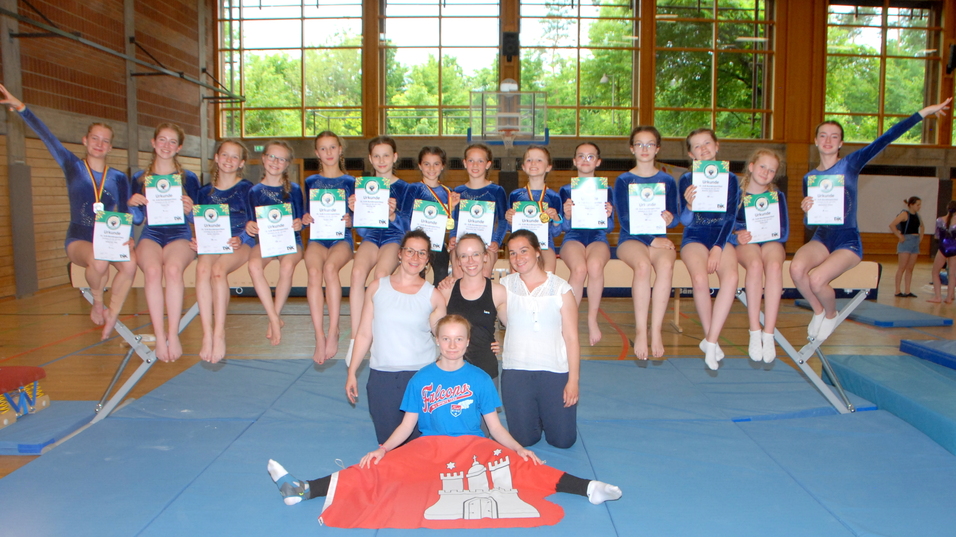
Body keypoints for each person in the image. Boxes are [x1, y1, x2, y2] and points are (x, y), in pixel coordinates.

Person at [267, 315, 621, 530]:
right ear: (437, 341)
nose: (452, 345)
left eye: (459, 339)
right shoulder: (421, 378)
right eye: (446, 339)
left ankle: (588, 488)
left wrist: (518, 448)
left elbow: (494, 428)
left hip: (473, 448)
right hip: (427, 448)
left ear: (467, 343)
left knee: (525, 466)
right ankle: (302, 490)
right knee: (375, 467)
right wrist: (383, 448)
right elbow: (408, 425)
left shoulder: (480, 378)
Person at [791, 98, 951, 342]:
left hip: (847, 240)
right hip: (822, 237)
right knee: (796, 269)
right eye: (823, 135)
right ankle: (819, 310)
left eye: (834, 136)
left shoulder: (849, 164)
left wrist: (922, 113)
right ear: (815, 141)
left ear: (841, 143)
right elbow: (811, 225)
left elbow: (885, 138)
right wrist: (806, 209)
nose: (828, 140)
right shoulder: (810, 178)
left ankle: (831, 315)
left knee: (816, 279)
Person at [0, 83, 138, 341]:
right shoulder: (72, 165)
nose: (99, 144)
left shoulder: (118, 177)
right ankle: (98, 302)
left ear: (110, 148)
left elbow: (125, 212)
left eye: (105, 141)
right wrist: (21, 108)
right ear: (85, 141)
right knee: (98, 260)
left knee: (130, 265)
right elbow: (47, 137)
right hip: (79, 238)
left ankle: (113, 315)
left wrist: (129, 237)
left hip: (108, 238)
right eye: (95, 138)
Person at [345, 230, 446, 445]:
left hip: (421, 378)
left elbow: (445, 340)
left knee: (420, 444)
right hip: (383, 377)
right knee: (388, 443)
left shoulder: (433, 296)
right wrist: (352, 371)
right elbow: (364, 333)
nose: (415, 257)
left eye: (421, 253)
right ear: (400, 254)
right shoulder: (376, 288)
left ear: (427, 259)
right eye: (410, 251)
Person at [127, 123, 201, 362]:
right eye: (162, 140)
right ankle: (160, 336)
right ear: (153, 142)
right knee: (151, 270)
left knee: (172, 269)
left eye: (172, 142)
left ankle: (173, 333)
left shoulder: (188, 177)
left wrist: (190, 209)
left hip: (179, 234)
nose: (166, 145)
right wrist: (132, 204)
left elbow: (197, 217)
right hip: (152, 233)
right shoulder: (140, 178)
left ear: (179, 147)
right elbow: (138, 220)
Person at [500, 230, 580, 448]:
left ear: (537, 252)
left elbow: (572, 338)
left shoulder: (561, 288)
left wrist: (572, 381)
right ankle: (535, 415)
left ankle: (547, 414)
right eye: (513, 253)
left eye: (524, 251)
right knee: (524, 440)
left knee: (563, 441)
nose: (518, 258)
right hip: (516, 372)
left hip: (554, 372)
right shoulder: (504, 286)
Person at [613, 127, 680, 359]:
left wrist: (671, 219)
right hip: (632, 238)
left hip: (660, 239)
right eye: (639, 144)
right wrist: (652, 240)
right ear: (632, 148)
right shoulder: (623, 180)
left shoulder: (667, 180)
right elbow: (624, 219)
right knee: (642, 266)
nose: (644, 149)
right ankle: (641, 330)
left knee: (666, 266)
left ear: (657, 148)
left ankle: (657, 329)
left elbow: (676, 216)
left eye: (649, 144)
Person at [679, 128, 740, 370]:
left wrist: (718, 247)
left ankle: (711, 341)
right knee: (699, 278)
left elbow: (731, 216)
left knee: (732, 277)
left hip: (721, 236)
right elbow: (683, 220)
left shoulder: (731, 179)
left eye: (707, 143)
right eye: (697, 146)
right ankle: (710, 337)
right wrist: (689, 205)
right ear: (691, 154)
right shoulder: (686, 179)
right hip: (694, 234)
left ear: (717, 146)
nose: (703, 148)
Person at [346, 136, 408, 364]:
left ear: (395, 157)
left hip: (394, 237)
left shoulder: (404, 188)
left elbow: (409, 226)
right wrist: (355, 212)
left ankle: (378, 335)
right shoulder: (363, 185)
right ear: (370, 159)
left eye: (386, 155)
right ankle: (355, 336)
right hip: (372, 237)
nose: (382, 160)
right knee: (356, 273)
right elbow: (361, 230)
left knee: (380, 276)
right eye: (377, 156)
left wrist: (393, 215)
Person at [193, 139, 254, 363]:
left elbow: (254, 220)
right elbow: (200, 222)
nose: (229, 160)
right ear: (216, 158)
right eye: (224, 155)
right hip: (213, 242)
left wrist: (244, 237)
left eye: (234, 156)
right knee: (202, 269)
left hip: (240, 242)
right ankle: (206, 333)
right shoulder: (204, 192)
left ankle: (219, 332)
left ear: (241, 163)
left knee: (218, 271)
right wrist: (196, 239)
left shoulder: (247, 188)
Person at [728, 149, 787, 363]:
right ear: (751, 166)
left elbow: (785, 229)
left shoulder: (776, 197)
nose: (766, 172)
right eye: (763, 167)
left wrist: (770, 233)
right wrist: (737, 235)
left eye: (772, 170)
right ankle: (754, 330)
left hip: (770, 240)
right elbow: (727, 223)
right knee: (754, 265)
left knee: (773, 267)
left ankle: (769, 333)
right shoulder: (736, 194)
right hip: (747, 239)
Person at [301, 131, 354, 363]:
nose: (328, 153)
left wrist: (352, 218)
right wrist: (304, 218)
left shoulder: (351, 182)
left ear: (340, 149)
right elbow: (305, 210)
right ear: (316, 153)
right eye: (323, 148)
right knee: (313, 271)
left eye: (333, 147)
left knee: (330, 269)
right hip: (318, 237)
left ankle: (333, 330)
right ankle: (318, 335)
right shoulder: (310, 182)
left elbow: (359, 215)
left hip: (341, 237)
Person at [244, 141, 304, 346]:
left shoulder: (294, 189)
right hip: (266, 242)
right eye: (272, 157)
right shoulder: (254, 191)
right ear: (263, 158)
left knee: (287, 265)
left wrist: (299, 224)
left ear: (287, 164)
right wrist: (250, 226)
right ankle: (273, 317)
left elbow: (302, 218)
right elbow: (250, 220)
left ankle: (274, 317)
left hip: (290, 242)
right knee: (253, 265)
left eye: (281, 159)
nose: (275, 162)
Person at [560, 142, 614, 346]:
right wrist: (566, 215)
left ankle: (592, 318)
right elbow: (563, 227)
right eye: (581, 156)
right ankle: (570, 320)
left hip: (598, 237)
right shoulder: (565, 190)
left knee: (595, 266)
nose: (585, 160)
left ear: (598, 162)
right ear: (574, 161)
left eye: (590, 157)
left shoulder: (606, 189)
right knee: (580, 269)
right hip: (573, 236)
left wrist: (608, 214)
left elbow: (609, 227)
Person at [438, 234, 507, 383]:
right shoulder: (447, 290)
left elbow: (517, 327)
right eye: (464, 256)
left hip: (486, 372)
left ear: (485, 257)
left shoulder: (498, 292)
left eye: (475, 254)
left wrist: (505, 345)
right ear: (458, 261)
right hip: (451, 372)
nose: (470, 261)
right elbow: (433, 328)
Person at [401, 146, 459, 285]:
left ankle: (437, 303)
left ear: (442, 166)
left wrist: (453, 209)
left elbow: (451, 222)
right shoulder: (413, 188)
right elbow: (404, 216)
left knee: (441, 273)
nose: (431, 168)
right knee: (416, 276)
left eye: (436, 164)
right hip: (416, 244)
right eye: (427, 164)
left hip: (437, 243)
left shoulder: (448, 192)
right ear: (420, 166)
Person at [449, 144, 508, 279]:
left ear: (488, 164)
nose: (475, 165)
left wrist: (496, 241)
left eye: (480, 161)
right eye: (471, 160)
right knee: (458, 274)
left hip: (487, 244)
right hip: (462, 243)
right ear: (465, 163)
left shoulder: (497, 191)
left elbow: (503, 221)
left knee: (484, 274)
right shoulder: (458, 191)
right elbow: (454, 219)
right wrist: (453, 236)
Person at [505, 146, 563, 273]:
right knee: (516, 277)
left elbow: (556, 232)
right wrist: (509, 220)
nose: (533, 163)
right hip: (520, 245)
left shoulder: (554, 196)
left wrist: (556, 219)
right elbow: (511, 229)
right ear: (523, 166)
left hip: (545, 244)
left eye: (539, 160)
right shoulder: (515, 195)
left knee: (547, 274)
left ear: (548, 167)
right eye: (529, 160)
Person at [890, 196, 924, 297]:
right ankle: (897, 290)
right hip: (906, 241)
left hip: (915, 241)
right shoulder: (904, 214)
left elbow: (922, 227)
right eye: (917, 205)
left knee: (910, 268)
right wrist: (900, 236)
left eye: (919, 205)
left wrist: (920, 238)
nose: (919, 207)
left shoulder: (918, 216)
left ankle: (907, 290)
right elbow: (892, 225)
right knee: (902, 267)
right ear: (911, 205)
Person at [928, 200, 956, 304]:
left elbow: (937, 236)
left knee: (935, 272)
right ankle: (949, 297)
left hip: (943, 247)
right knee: (952, 274)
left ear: (948, 208)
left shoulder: (940, 220)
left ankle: (938, 297)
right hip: (954, 247)